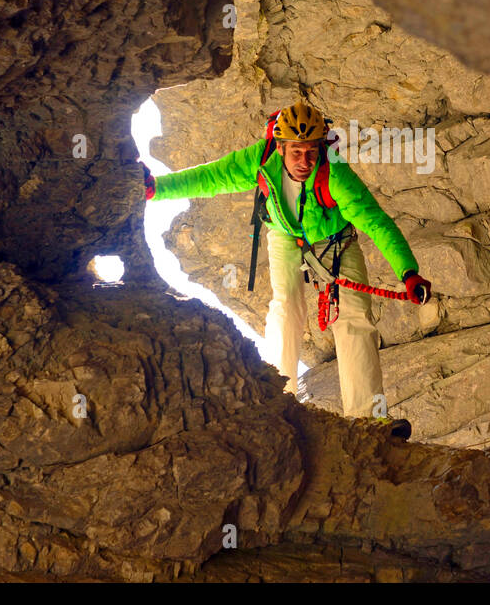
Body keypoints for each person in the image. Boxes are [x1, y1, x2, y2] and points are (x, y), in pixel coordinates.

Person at [143, 100, 432, 439]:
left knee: (355, 317)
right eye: (296, 152)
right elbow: (212, 177)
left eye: (311, 152)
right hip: (284, 234)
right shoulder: (260, 160)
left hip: (335, 239)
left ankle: (368, 420)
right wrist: (157, 188)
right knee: (286, 309)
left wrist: (408, 272)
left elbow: (376, 222)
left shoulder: (334, 172)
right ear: (280, 148)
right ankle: (281, 400)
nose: (304, 162)